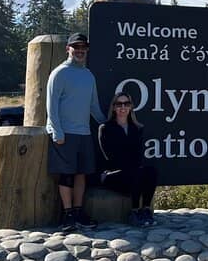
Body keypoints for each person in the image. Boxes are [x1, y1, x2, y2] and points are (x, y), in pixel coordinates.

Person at [46, 32, 106, 229]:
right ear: (68, 49)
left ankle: (78, 212)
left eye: (83, 48)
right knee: (66, 175)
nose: (80, 51)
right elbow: (51, 105)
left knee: (81, 174)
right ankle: (68, 214)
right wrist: (57, 132)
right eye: (76, 47)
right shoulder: (59, 73)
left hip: (84, 133)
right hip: (64, 133)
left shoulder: (88, 76)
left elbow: (93, 106)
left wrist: (106, 123)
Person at [97, 92, 158, 226]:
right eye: (119, 104)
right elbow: (109, 157)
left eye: (126, 104)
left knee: (151, 171)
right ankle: (134, 212)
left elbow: (138, 155)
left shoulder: (136, 128)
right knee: (134, 171)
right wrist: (130, 166)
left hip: (131, 173)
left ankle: (145, 211)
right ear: (114, 107)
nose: (123, 107)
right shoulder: (105, 128)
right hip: (111, 174)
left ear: (130, 107)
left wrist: (133, 166)